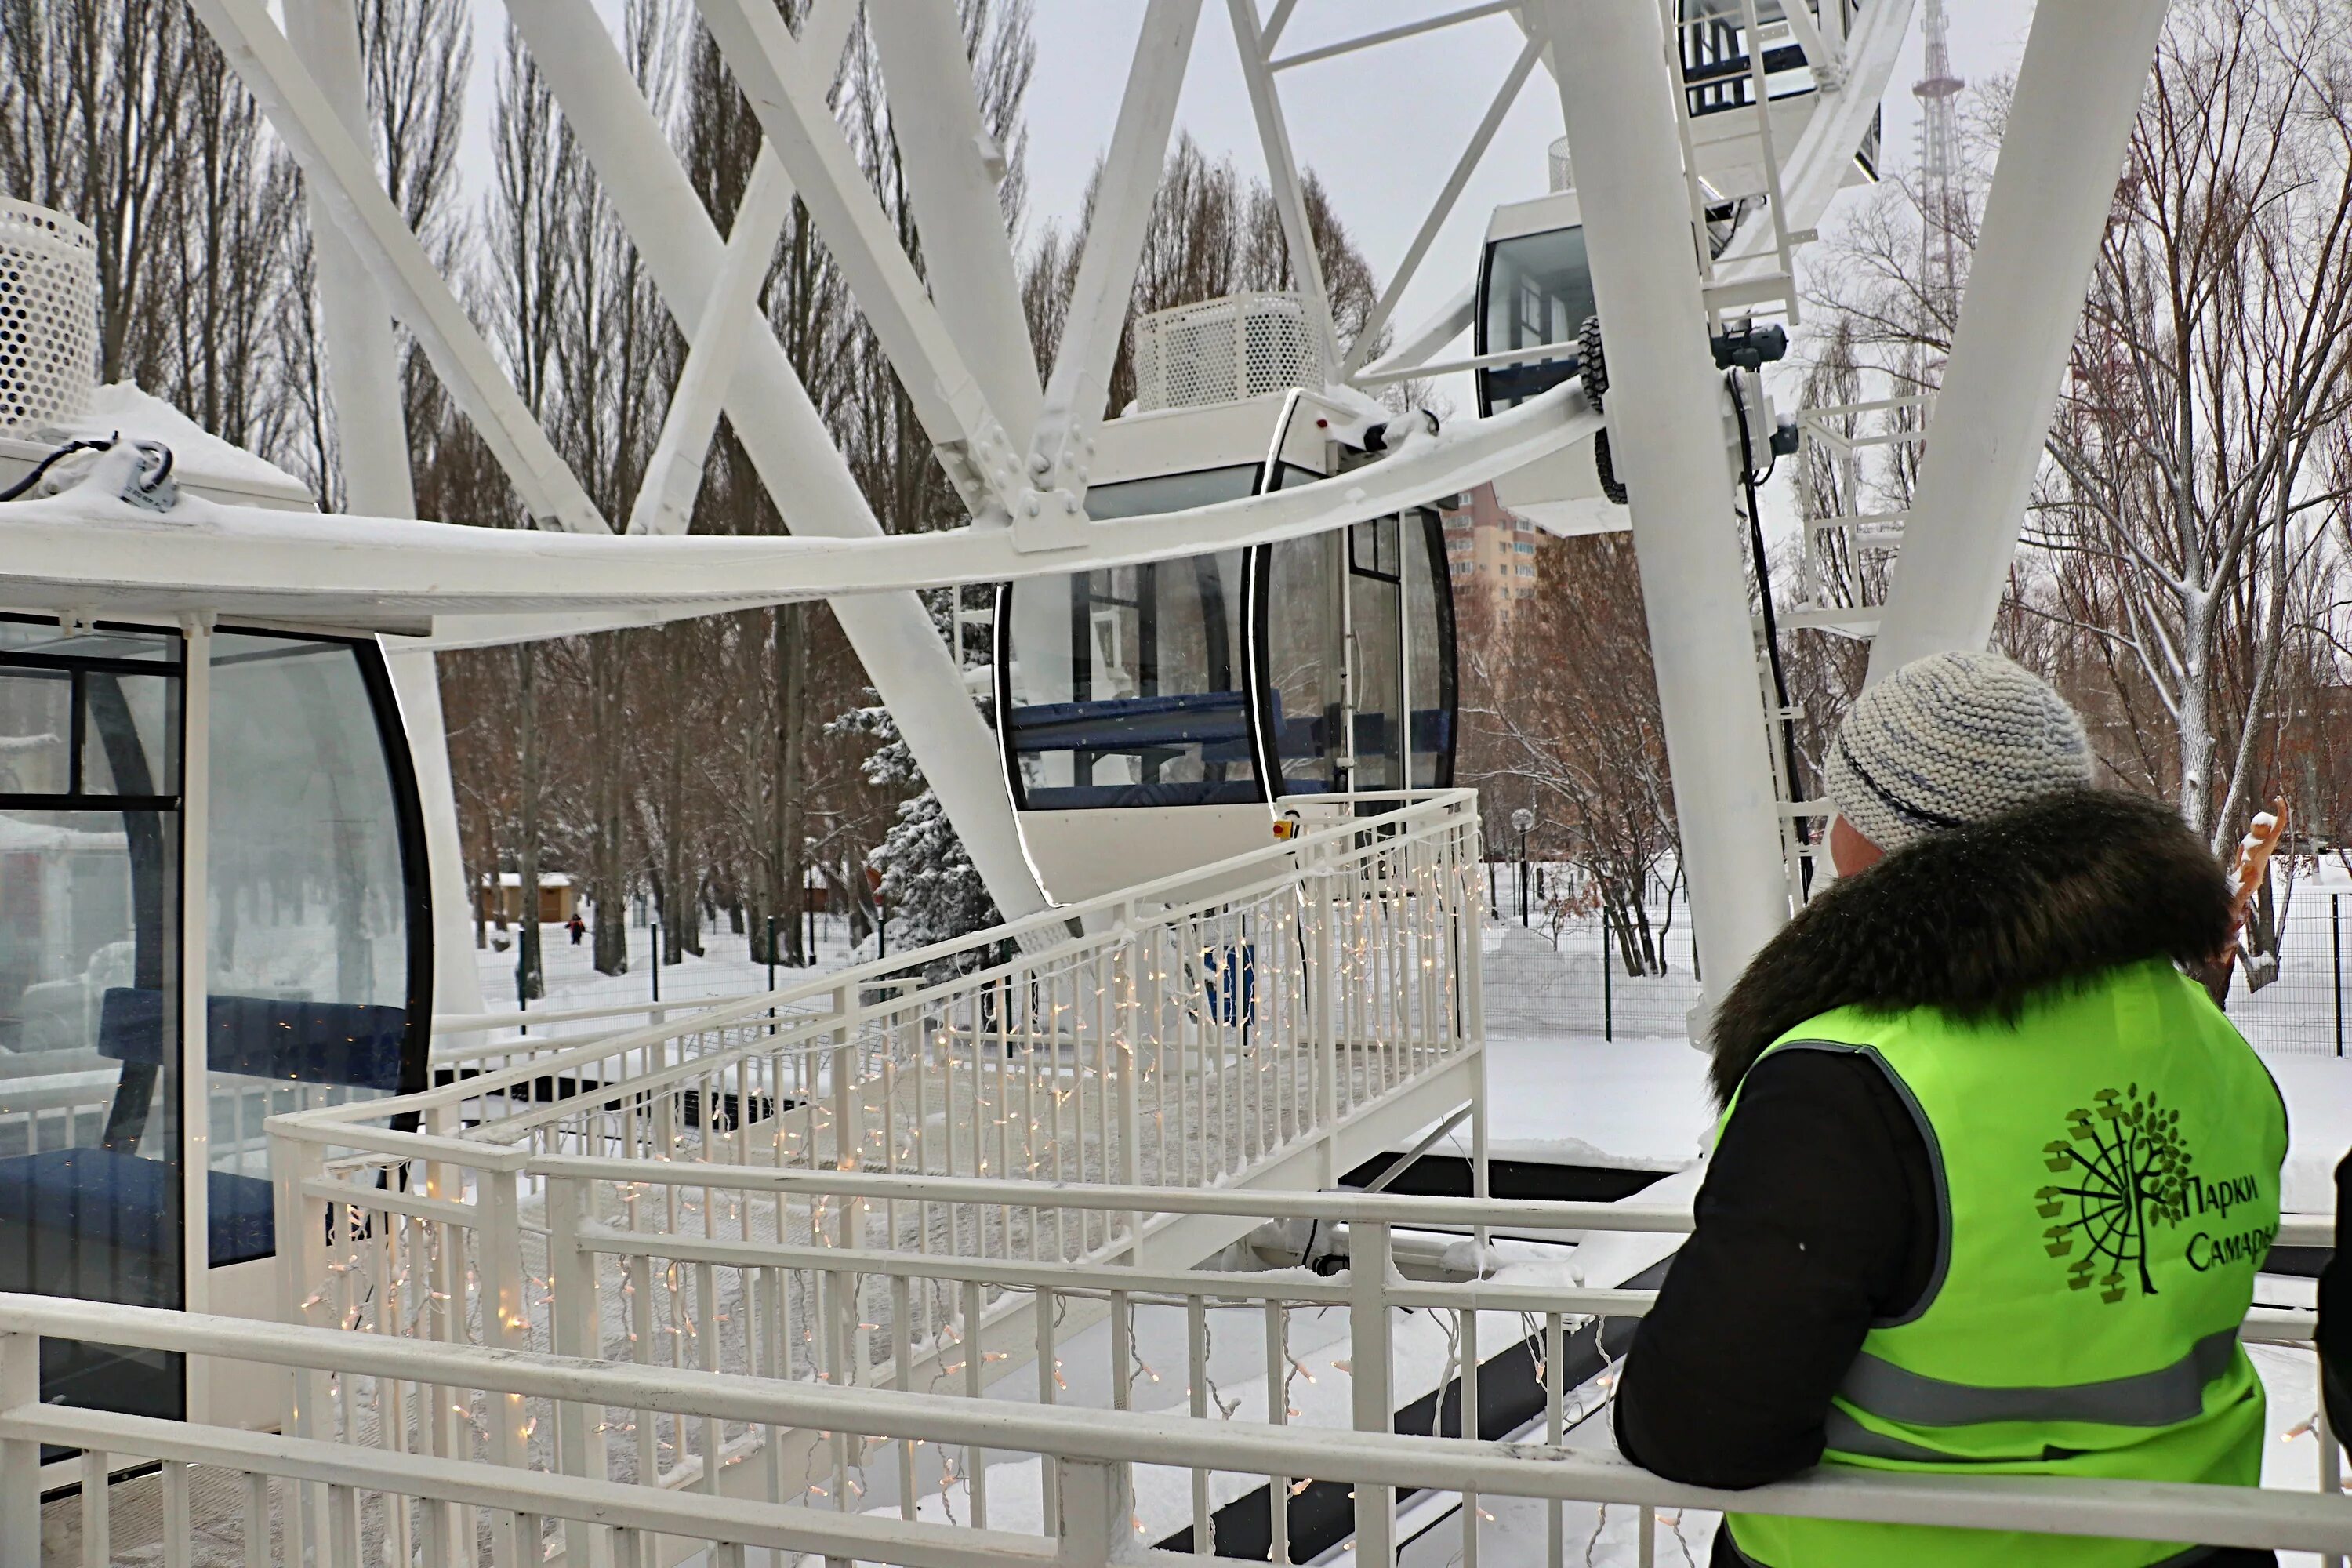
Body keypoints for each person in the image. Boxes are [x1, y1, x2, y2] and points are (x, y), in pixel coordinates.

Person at [1613, 651, 2287, 1568]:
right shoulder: (2212, 1051)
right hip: (2201, 1547)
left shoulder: (1846, 1081)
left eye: (1844, 803)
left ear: (1881, 838)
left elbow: (1700, 1423)